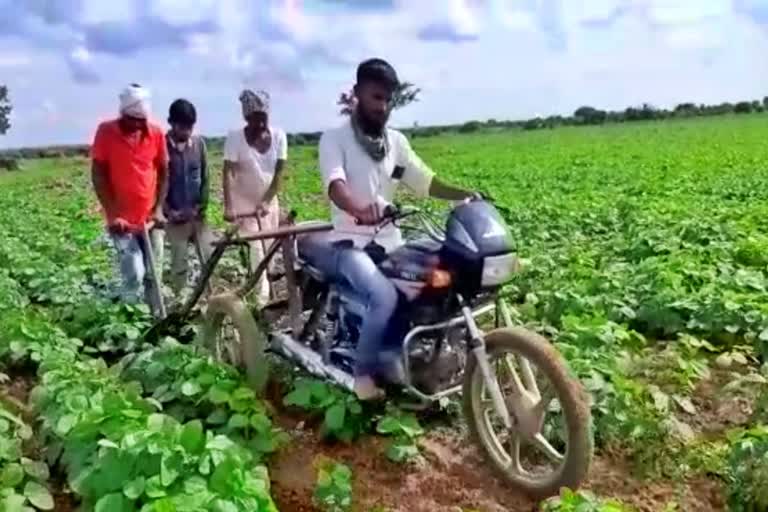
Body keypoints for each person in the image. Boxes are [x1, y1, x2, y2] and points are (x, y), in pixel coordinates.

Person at [318, 58, 477, 399]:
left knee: (439, 272)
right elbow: (336, 186)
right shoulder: (334, 139)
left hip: (391, 240)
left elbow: (426, 182)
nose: (383, 107)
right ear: (357, 93)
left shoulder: (396, 143)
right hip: (351, 242)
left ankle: (401, 351)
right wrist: (360, 209)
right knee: (384, 294)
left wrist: (465, 195)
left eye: (389, 99)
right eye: (376, 97)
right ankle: (363, 378)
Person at [91, 84, 168, 315]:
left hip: (150, 219)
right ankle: (131, 319)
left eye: (141, 120)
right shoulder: (106, 132)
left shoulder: (155, 133)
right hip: (122, 221)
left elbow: (164, 171)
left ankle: (156, 318)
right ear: (122, 115)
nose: (137, 125)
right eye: (132, 119)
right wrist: (113, 214)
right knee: (134, 274)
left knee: (155, 274)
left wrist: (159, 209)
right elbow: (98, 174)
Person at [222, 89, 287, 304]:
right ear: (246, 118)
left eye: (263, 118)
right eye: (255, 119)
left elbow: (279, 174)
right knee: (257, 251)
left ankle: (266, 291)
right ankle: (261, 302)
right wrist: (229, 206)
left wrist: (267, 200)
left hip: (268, 204)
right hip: (244, 205)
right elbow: (228, 172)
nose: (260, 124)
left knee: (269, 251)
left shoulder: (279, 136)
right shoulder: (235, 138)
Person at [155, 98, 213, 299]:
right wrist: (168, 211)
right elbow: (157, 182)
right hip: (174, 217)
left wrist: (200, 207)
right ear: (171, 123)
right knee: (179, 265)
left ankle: (209, 299)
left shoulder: (199, 145)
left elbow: (206, 178)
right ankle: (182, 303)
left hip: (197, 217)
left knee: (209, 258)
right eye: (182, 127)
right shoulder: (161, 147)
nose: (186, 132)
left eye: (190, 127)